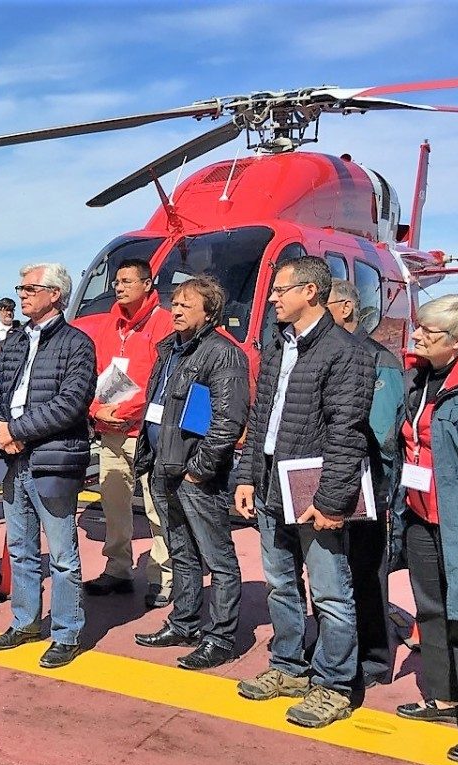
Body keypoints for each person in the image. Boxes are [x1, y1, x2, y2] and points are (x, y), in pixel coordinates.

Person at [234, 256, 372, 728]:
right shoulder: (279, 345)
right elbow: (262, 419)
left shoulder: (345, 352)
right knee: (280, 583)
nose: (272, 297)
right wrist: (248, 477)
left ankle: (333, 685)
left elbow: (346, 432)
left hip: (315, 492)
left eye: (280, 289)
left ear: (310, 292)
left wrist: (333, 501)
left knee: (331, 592)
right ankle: (289, 667)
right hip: (273, 482)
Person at [0, 263, 96, 668]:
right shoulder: (14, 341)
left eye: (31, 288)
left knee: (63, 555)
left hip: (51, 459)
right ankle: (25, 620)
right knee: (20, 547)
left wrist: (18, 431)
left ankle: (66, 632)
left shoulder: (77, 344)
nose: (22, 294)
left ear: (55, 295)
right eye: (21, 288)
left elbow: (71, 403)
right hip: (11, 458)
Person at [132, 275, 249, 670]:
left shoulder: (223, 354)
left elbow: (227, 422)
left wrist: (198, 471)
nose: (176, 310)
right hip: (164, 467)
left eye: (186, 304)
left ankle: (220, 637)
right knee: (181, 551)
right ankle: (183, 622)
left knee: (217, 558)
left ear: (209, 312)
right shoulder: (171, 350)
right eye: (175, 303)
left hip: (195, 474)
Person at [389, 294, 458, 764]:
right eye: (420, 327)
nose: (419, 334)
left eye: (431, 331)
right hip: (420, 515)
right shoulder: (420, 377)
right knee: (431, 610)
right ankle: (445, 699)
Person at [74, 258, 174, 608]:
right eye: (116, 281)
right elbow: (92, 373)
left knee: (155, 507)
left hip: (146, 432)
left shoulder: (163, 325)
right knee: (114, 504)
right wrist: (95, 410)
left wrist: (125, 412)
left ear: (148, 284)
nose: (119, 286)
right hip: (110, 431)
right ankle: (117, 568)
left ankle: (163, 574)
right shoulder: (108, 326)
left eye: (128, 280)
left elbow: (163, 381)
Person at [327, 279, 404, 687]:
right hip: (330, 479)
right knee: (330, 571)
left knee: (367, 572)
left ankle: (374, 657)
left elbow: (384, 435)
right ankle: (336, 646)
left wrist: (381, 488)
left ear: (344, 308)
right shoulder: (328, 354)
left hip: (367, 483)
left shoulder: (378, 359)